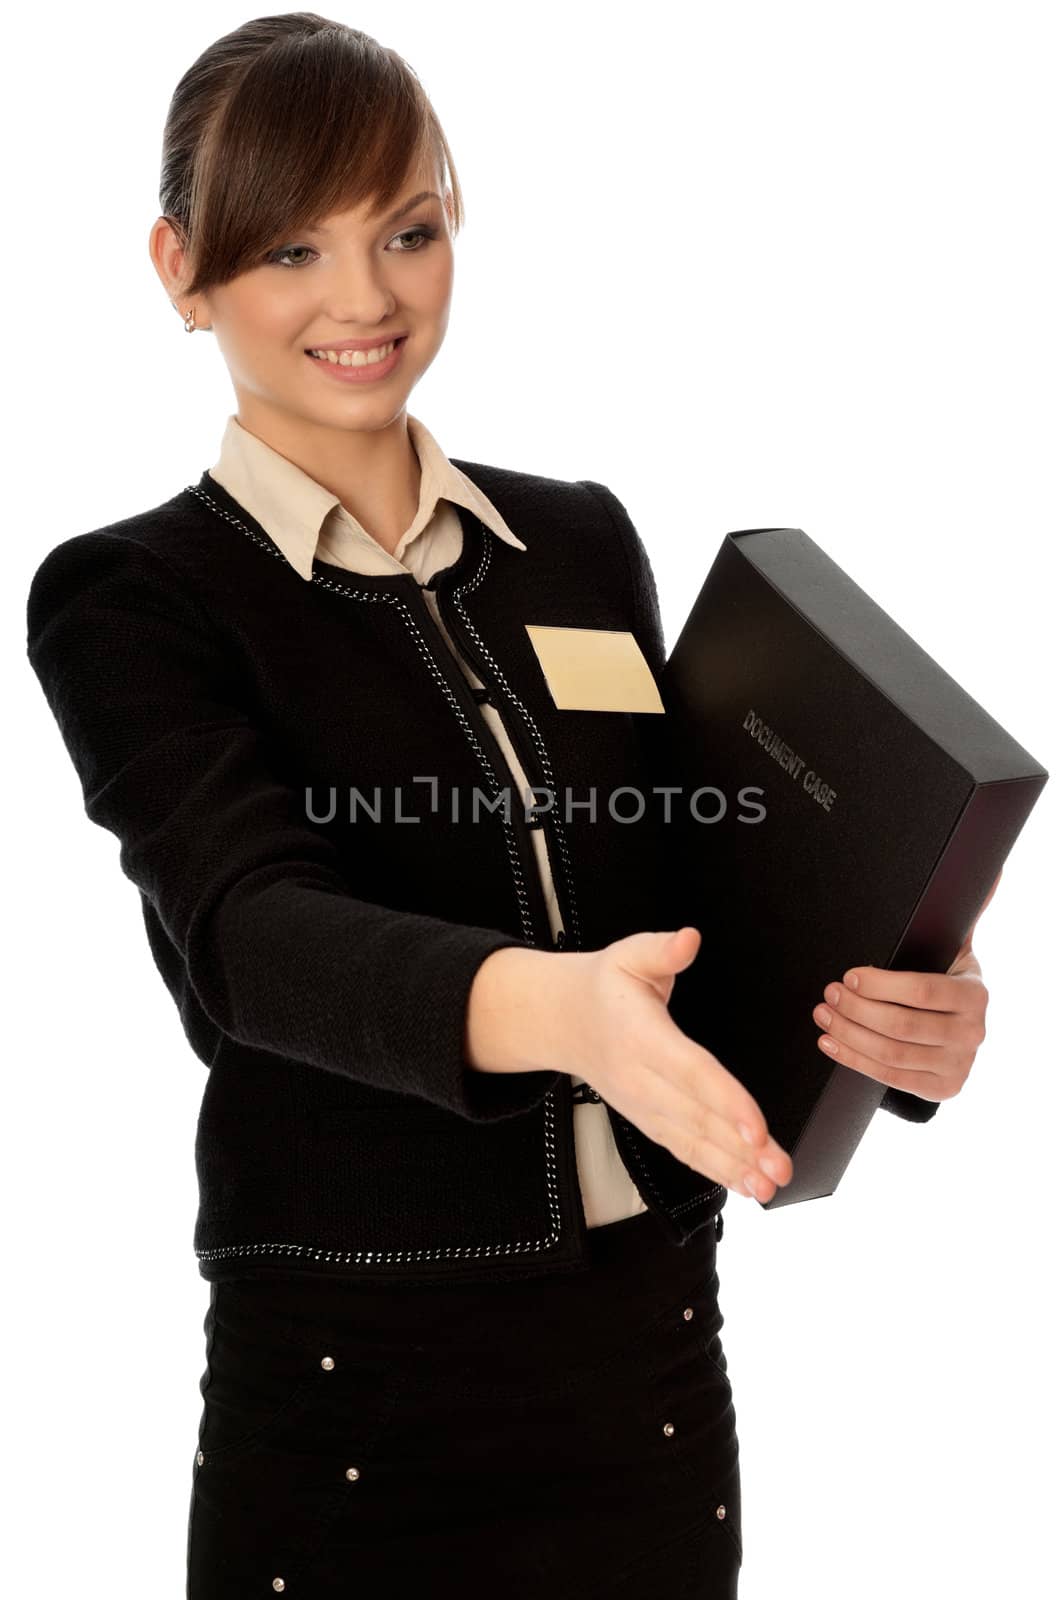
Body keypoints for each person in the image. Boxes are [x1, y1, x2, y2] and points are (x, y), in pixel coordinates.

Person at [24, 14, 992, 1598]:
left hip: (652, 1356)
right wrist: (564, 1016)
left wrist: (901, 1009)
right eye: (291, 250)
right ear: (178, 268)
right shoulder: (134, 595)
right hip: (355, 1384)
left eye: (409, 229)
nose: (366, 300)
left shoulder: (578, 542)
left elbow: (709, 897)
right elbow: (250, 937)